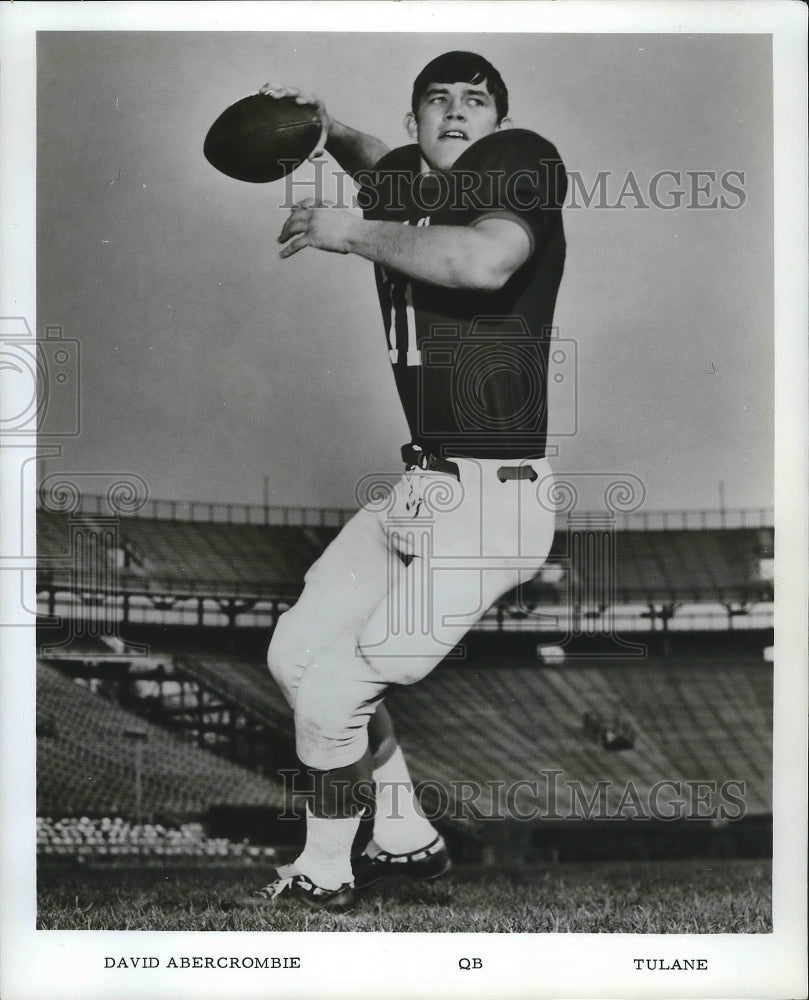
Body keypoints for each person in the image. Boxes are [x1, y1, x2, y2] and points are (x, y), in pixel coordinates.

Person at [232, 51, 567, 911]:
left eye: (475, 100)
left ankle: (325, 872)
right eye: (435, 100)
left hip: (493, 504)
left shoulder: (521, 161)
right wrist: (326, 125)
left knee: (339, 695)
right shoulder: (417, 188)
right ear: (417, 120)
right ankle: (408, 839)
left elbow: (482, 263)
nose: (455, 110)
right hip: (422, 487)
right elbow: (384, 168)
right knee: (296, 658)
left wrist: (345, 233)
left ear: (497, 125)